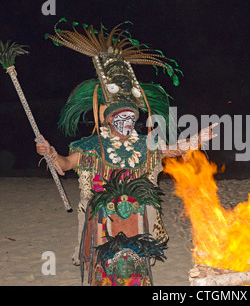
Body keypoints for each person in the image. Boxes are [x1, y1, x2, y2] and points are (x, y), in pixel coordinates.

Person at [36, 20, 216, 286]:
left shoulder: (145, 144)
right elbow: (64, 165)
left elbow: (170, 150)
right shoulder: (91, 146)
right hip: (102, 221)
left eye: (131, 116)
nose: (128, 122)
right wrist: (51, 152)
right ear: (108, 120)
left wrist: (193, 140)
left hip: (137, 221)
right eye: (121, 117)